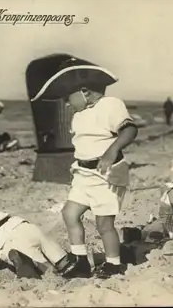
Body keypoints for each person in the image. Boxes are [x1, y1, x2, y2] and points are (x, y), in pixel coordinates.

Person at [30, 57, 139, 279]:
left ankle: (113, 264)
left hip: (106, 175)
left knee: (104, 224)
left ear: (84, 91)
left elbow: (129, 130)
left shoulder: (111, 105)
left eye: (68, 98)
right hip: (83, 174)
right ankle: (80, 259)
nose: (67, 104)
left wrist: (112, 150)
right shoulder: (79, 116)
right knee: (69, 213)